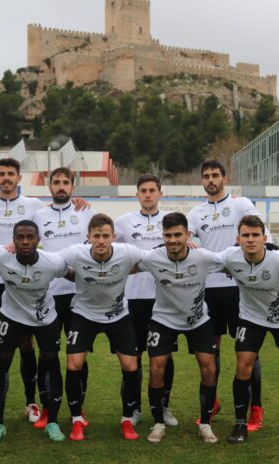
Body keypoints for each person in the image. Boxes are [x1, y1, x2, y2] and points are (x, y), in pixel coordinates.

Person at [187, 159, 268, 430]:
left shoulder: (241, 204)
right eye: (206, 176)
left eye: (215, 175)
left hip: (240, 289)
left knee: (248, 352)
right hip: (208, 290)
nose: (211, 179)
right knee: (210, 353)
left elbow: (258, 231)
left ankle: (255, 408)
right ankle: (211, 403)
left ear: (225, 177)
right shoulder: (196, 213)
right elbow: (187, 239)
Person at [221, 215, 279, 449]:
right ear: (238, 238)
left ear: (264, 237)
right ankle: (240, 424)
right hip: (250, 318)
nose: (250, 240)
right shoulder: (230, 257)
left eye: (255, 235)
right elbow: (205, 260)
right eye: (246, 236)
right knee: (243, 367)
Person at [0, 158, 46, 424]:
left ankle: (30, 402)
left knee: (27, 343)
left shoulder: (35, 206)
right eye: (1, 174)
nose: (6, 178)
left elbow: (48, 232)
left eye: (10, 174)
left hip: (24, 283)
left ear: (19, 177)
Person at [0, 220, 70, 442]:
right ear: (13, 240)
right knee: (1, 365)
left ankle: (52, 422)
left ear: (38, 240)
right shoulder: (1, 256)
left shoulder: (53, 261)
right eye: (20, 237)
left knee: (50, 364)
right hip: (11, 316)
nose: (25, 241)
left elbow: (72, 273)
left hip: (44, 318)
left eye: (30, 237)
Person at [137, 212, 222, 443]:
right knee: (156, 368)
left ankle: (205, 423)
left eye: (177, 235)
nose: (173, 240)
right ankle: (158, 423)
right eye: (168, 235)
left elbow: (233, 260)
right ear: (162, 236)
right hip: (163, 320)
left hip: (197, 320)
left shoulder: (203, 257)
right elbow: (125, 261)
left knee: (209, 368)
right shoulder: (153, 257)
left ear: (188, 235)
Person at [61, 213, 144, 441]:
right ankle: (77, 419)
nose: (100, 240)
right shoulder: (76, 252)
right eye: (96, 236)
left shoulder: (127, 252)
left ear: (113, 237)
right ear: (88, 237)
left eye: (105, 236)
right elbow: (49, 261)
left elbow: (156, 258)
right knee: (74, 363)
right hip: (83, 314)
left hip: (117, 315)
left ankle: (127, 419)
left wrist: (188, 245)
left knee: (130, 365)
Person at [31, 167, 95, 428]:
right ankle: (48, 406)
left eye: (65, 182)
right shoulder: (39, 214)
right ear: (49, 186)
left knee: (78, 356)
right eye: (56, 182)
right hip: (48, 294)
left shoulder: (85, 212)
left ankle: (77, 409)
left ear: (73, 187)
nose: (60, 186)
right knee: (47, 356)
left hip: (79, 295)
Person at [115, 174, 177, 427]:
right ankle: (134, 408)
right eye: (143, 190)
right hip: (133, 299)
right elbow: (104, 246)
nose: (148, 194)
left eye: (152, 190)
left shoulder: (171, 222)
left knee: (163, 357)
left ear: (160, 193)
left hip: (165, 300)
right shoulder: (123, 223)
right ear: (137, 194)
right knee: (133, 357)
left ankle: (163, 407)